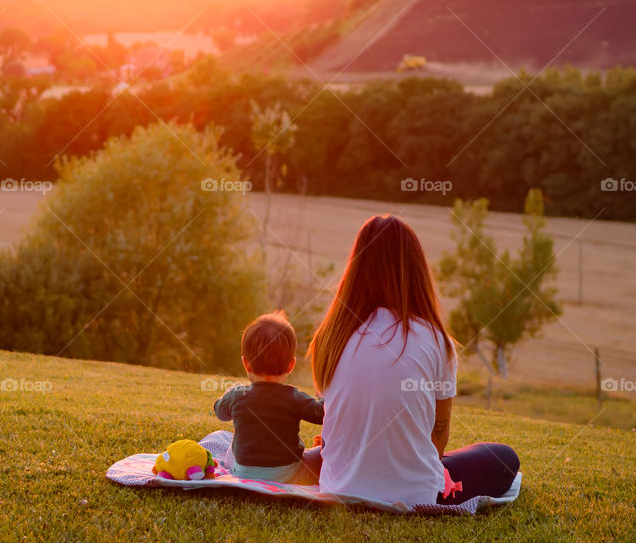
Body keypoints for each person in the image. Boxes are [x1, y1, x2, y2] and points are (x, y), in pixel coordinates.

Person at [307, 214, 519, 507]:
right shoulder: (436, 340)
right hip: (417, 494)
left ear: (354, 268)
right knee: (505, 458)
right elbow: (438, 441)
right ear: (416, 270)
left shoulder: (329, 337)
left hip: (339, 485)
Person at [213, 311, 324, 484]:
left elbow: (219, 411)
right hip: (288, 475)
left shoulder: (238, 395)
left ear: (245, 363)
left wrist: (229, 394)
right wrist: (323, 393)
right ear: (291, 365)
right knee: (321, 453)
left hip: (243, 472)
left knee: (231, 446)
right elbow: (321, 414)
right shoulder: (294, 397)